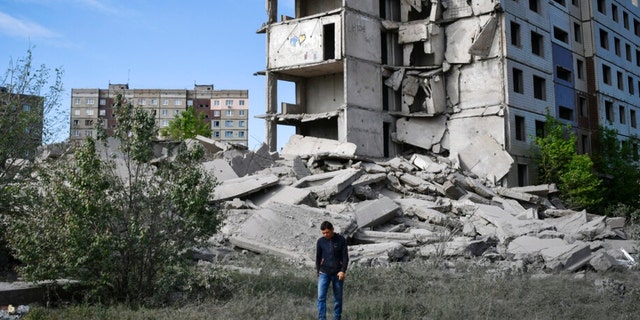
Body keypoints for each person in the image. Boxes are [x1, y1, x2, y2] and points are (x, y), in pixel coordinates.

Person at [316, 221, 349, 320]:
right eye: (323, 233)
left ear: (332, 230)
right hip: (324, 273)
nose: (325, 235)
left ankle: (337, 318)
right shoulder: (320, 241)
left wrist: (342, 270)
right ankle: (322, 318)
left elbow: (345, 257)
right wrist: (318, 271)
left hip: (337, 274)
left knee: (338, 299)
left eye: (327, 232)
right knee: (321, 297)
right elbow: (318, 257)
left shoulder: (341, 240)